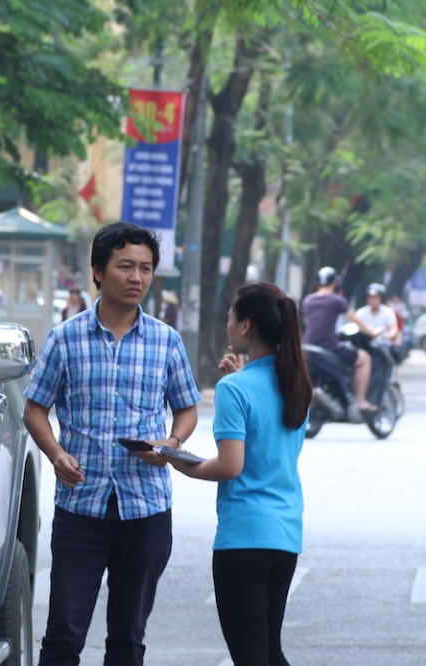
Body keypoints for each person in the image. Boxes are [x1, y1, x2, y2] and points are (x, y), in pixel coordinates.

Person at [23, 222, 201, 666]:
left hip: (145, 510)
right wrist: (56, 453)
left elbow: (187, 409)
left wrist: (171, 442)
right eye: (125, 266)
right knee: (63, 635)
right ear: (98, 272)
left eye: (145, 268)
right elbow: (34, 409)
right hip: (81, 507)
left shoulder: (166, 341)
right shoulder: (65, 339)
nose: (136, 277)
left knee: (128, 639)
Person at [167, 282, 313, 666]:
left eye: (232, 316)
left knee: (250, 657)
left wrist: (175, 459)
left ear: (246, 325)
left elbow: (230, 466)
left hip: (244, 537)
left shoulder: (234, 389)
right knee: (268, 650)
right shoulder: (296, 384)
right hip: (285, 534)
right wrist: (242, 376)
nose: (228, 323)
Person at [301, 267, 380, 412]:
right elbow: (355, 320)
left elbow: (308, 323)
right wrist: (372, 332)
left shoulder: (307, 300)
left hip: (309, 346)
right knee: (365, 358)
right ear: (335, 282)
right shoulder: (337, 300)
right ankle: (361, 401)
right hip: (330, 346)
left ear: (318, 282)